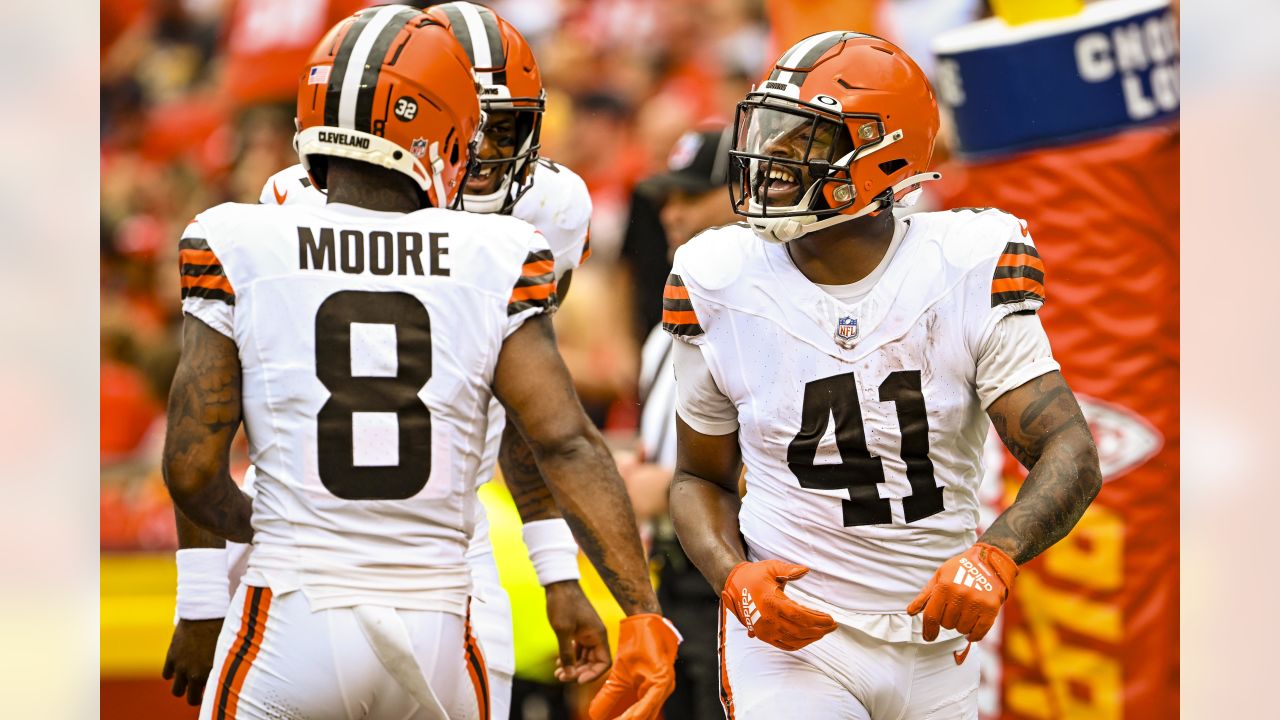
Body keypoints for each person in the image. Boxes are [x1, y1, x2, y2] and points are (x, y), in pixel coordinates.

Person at [161, 6, 678, 719]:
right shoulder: (506, 251)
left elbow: (201, 442)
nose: (485, 147)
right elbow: (559, 430)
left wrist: (555, 570)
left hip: (310, 578)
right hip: (440, 586)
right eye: (474, 123)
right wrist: (627, 605)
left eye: (504, 127)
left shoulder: (255, 228)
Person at [666, 32, 1102, 719]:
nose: (771, 157)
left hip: (937, 635)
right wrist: (733, 576)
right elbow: (698, 478)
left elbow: (1068, 450)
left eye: (802, 139)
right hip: (793, 639)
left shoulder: (963, 261)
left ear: (882, 153)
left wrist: (995, 557)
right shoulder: (716, 276)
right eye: (771, 130)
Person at [623, 126, 739, 720]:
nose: (671, 213)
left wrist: (665, 489)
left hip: (740, 583)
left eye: (691, 196)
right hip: (675, 580)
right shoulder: (665, 320)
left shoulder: (767, 312)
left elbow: (804, 468)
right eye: (666, 198)